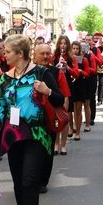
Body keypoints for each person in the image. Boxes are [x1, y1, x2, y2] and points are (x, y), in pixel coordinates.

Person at [0, 35, 64, 205]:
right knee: (19, 185)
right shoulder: (5, 79)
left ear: (20, 53)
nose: (4, 55)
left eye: (7, 52)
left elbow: (60, 99)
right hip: (12, 137)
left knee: (30, 182)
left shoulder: (41, 73)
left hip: (37, 135)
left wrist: (48, 91)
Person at [33, 42, 70, 192]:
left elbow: (64, 96)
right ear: (34, 56)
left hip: (49, 118)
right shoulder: (28, 71)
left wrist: (62, 116)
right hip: (31, 120)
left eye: (48, 53)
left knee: (47, 151)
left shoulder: (56, 72)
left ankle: (42, 182)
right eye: (42, 53)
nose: (46, 56)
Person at [70, 40, 92, 139]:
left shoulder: (84, 60)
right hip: (71, 84)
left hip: (80, 84)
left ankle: (78, 132)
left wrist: (81, 71)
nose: (75, 50)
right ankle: (72, 128)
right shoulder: (69, 59)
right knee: (72, 109)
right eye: (73, 48)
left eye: (77, 48)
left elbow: (87, 74)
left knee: (78, 109)